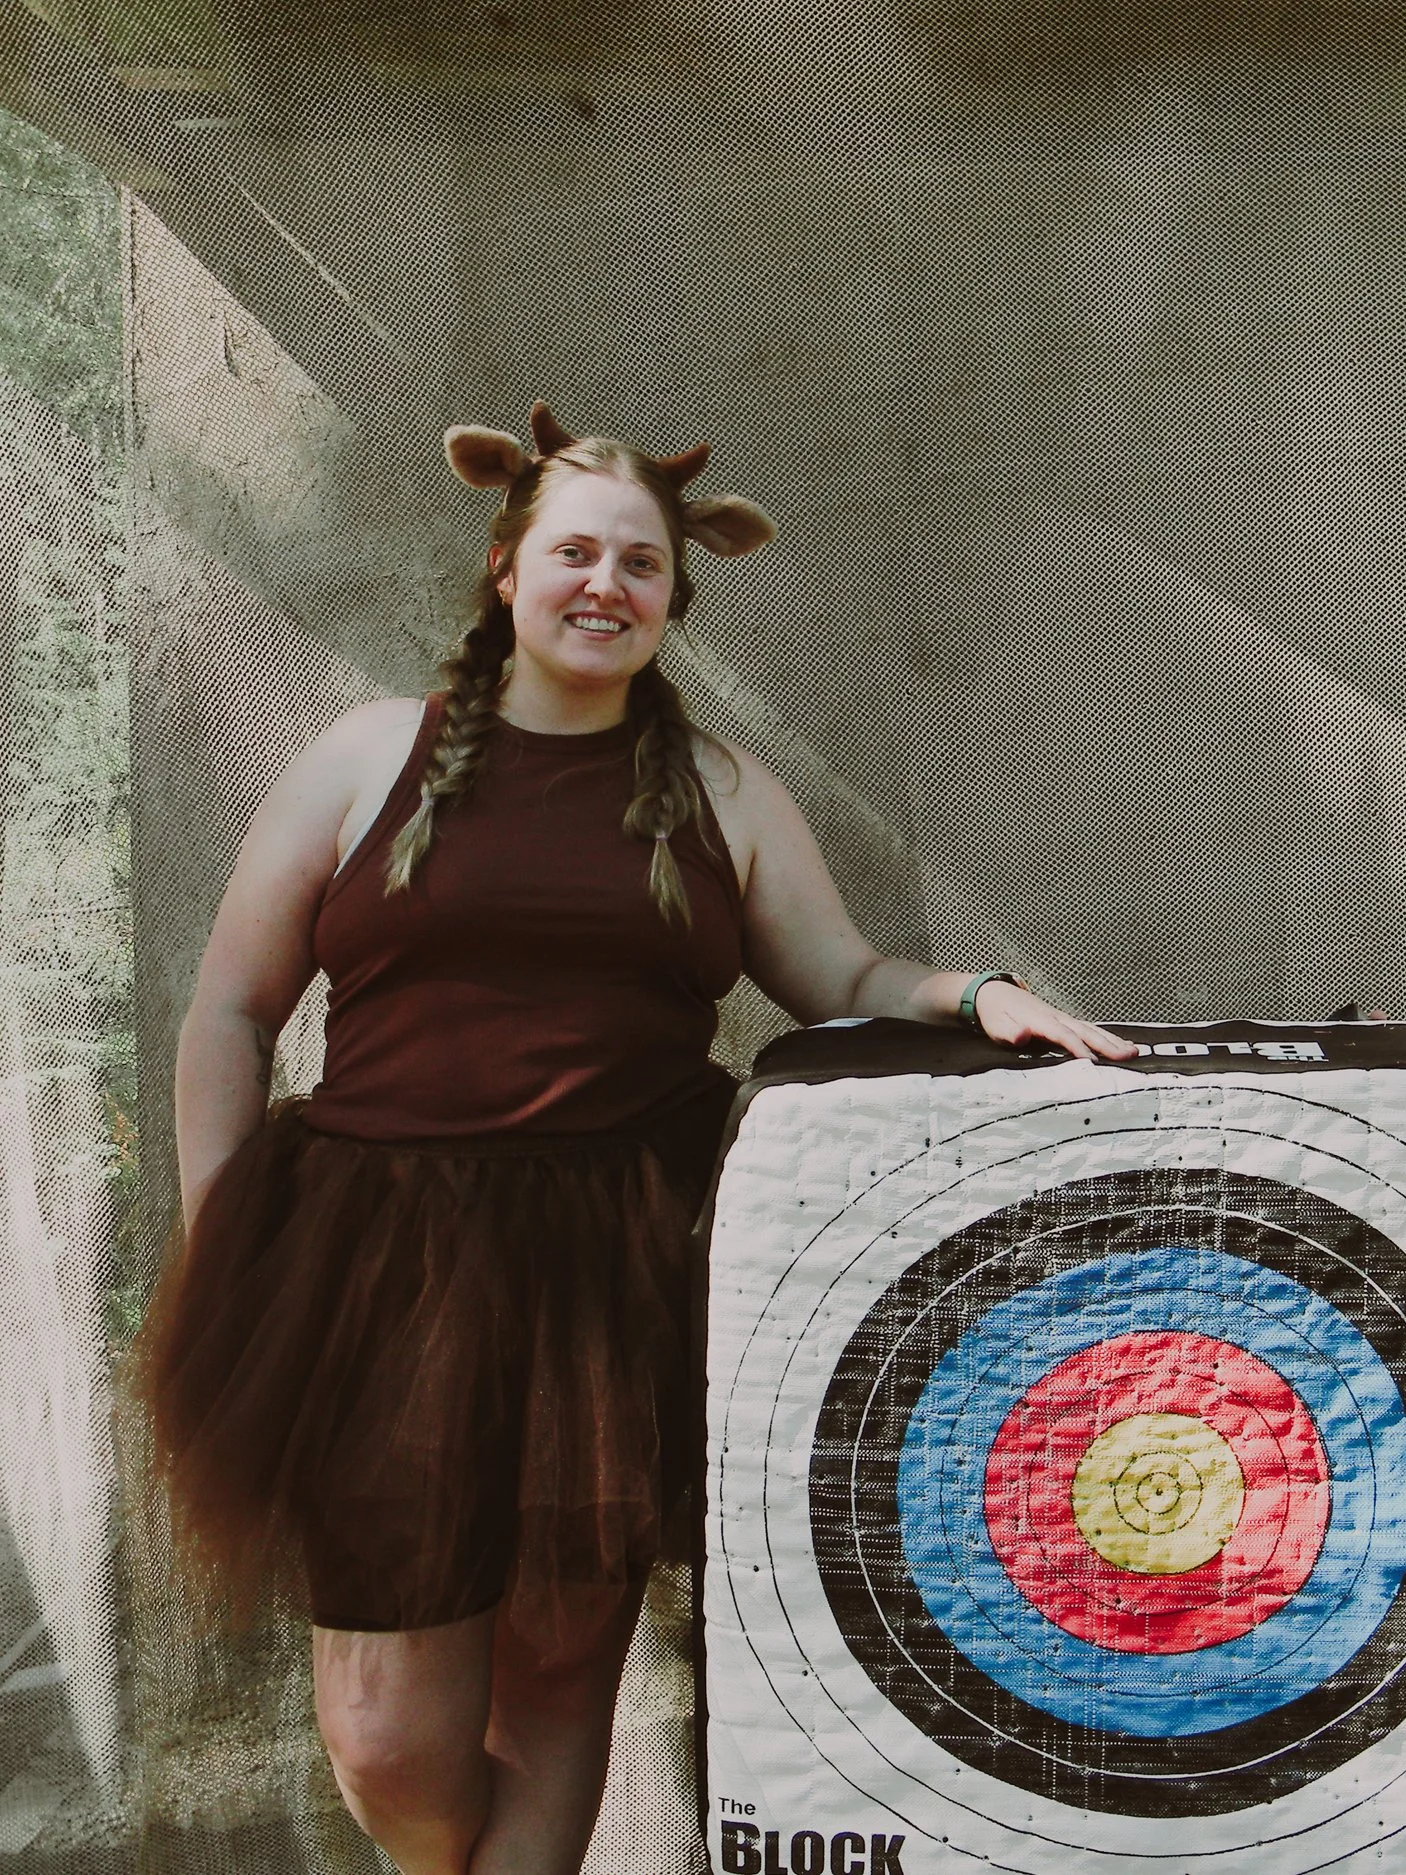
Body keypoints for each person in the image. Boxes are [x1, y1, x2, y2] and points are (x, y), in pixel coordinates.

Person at [139, 405, 1136, 1875]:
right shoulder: (364, 756)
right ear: (506, 567)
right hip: (381, 1278)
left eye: (641, 563)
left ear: (673, 593)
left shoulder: (721, 791)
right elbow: (230, 1010)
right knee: (387, 1738)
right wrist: (230, 1242)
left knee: (555, 1681)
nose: (605, 583)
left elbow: (841, 974)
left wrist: (971, 995)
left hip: (618, 1280)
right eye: (574, 553)